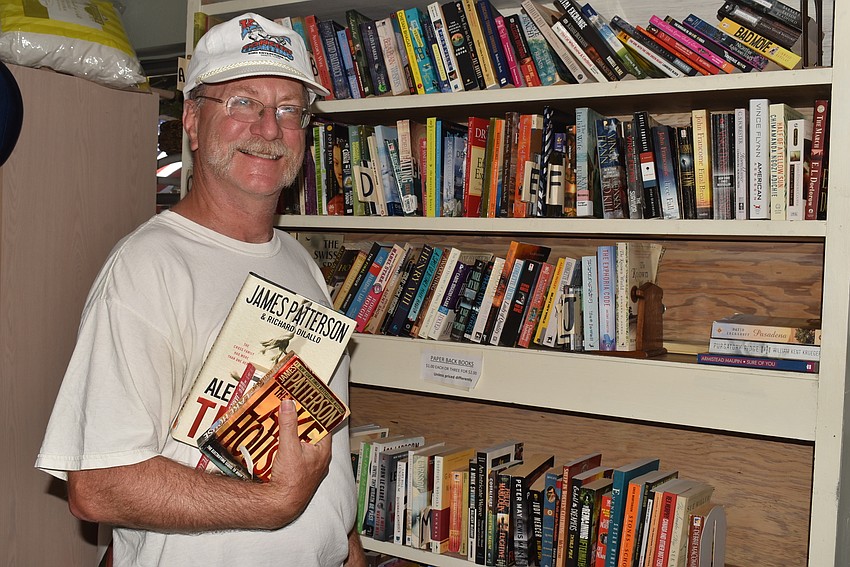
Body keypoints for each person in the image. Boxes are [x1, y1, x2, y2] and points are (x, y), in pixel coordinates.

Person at [35, 12, 365, 566]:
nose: (268, 129)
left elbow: (320, 471)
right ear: (193, 120)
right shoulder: (148, 268)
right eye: (242, 103)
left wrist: (345, 545)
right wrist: (274, 503)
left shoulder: (301, 265)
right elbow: (97, 485)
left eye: (289, 109)